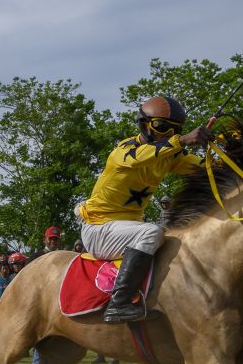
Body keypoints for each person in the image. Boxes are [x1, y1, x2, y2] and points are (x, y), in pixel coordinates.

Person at [74, 96, 211, 322]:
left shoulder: (169, 157)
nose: (169, 134)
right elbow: (139, 158)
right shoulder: (124, 151)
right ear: (144, 124)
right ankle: (119, 303)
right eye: (162, 127)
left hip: (124, 230)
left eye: (176, 130)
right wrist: (183, 140)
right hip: (98, 228)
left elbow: (208, 169)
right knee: (153, 231)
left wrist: (230, 145)